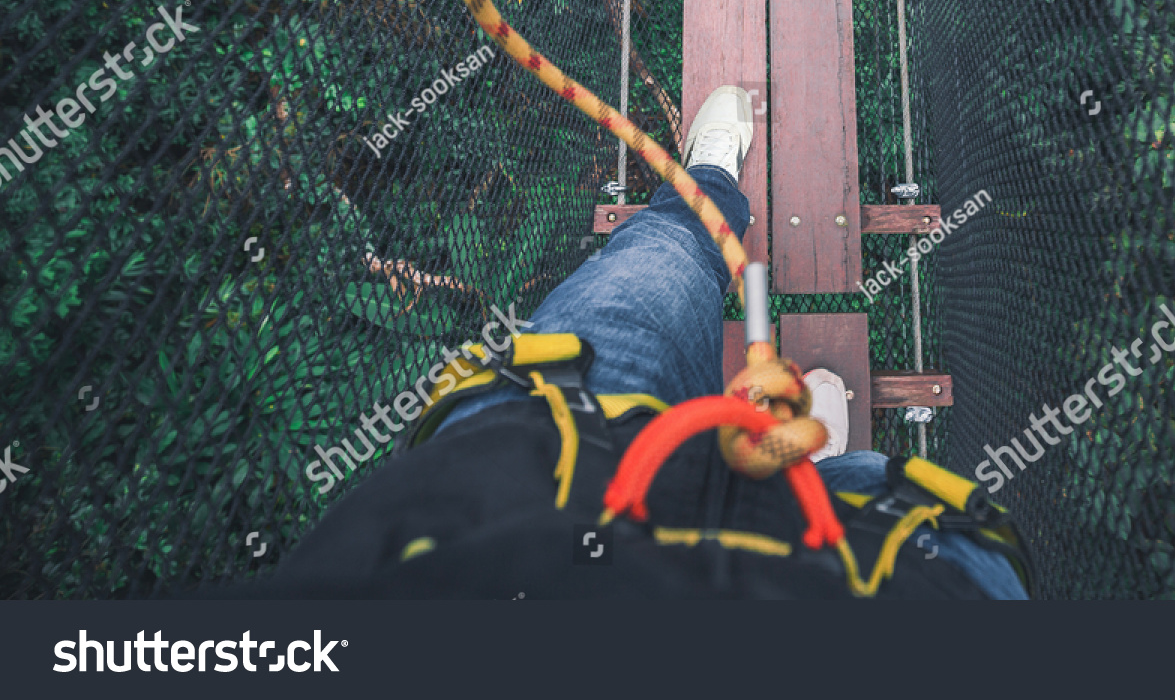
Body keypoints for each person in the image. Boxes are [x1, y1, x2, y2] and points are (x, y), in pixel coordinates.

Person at [259, 87, 1029, 598]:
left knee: (660, 255)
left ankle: (707, 183)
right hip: (863, 586)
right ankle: (808, 482)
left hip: (538, 465)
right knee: (887, 505)